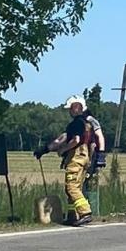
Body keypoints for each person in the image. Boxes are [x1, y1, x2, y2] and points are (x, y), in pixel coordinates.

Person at [36, 96, 105, 226]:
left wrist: (63, 150)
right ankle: (73, 216)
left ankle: (85, 213)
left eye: (71, 108)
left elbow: (75, 140)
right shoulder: (85, 124)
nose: (70, 111)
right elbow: (62, 137)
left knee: (71, 186)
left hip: (77, 157)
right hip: (84, 157)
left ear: (77, 107)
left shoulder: (78, 123)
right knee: (74, 188)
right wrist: (45, 149)